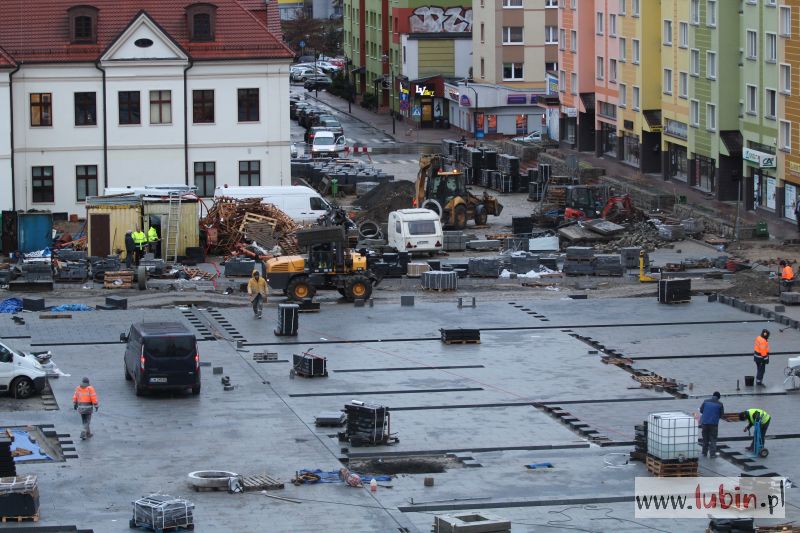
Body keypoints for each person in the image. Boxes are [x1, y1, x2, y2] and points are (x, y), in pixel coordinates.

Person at [699, 392, 723, 458]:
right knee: (713, 439)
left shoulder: (705, 401)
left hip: (705, 423)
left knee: (705, 438)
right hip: (714, 424)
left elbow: (701, 410)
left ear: (712, 396)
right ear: (718, 398)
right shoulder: (720, 404)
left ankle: (704, 453)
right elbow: (721, 415)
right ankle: (712, 454)